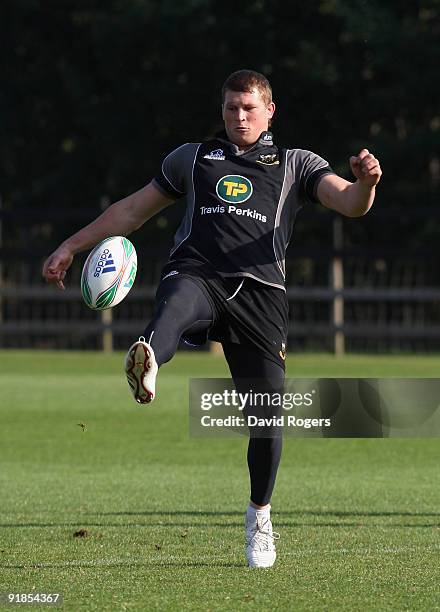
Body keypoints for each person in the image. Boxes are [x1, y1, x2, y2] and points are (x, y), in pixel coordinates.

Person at [42, 69, 382, 568]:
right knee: (177, 301)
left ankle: (259, 516)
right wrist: (72, 245)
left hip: (260, 296)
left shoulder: (296, 164)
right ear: (221, 111)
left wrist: (367, 183)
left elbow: (348, 203)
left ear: (270, 110)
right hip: (198, 274)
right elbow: (134, 210)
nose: (238, 117)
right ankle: (150, 356)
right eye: (230, 108)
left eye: (248, 108)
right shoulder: (193, 157)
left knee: (267, 422)